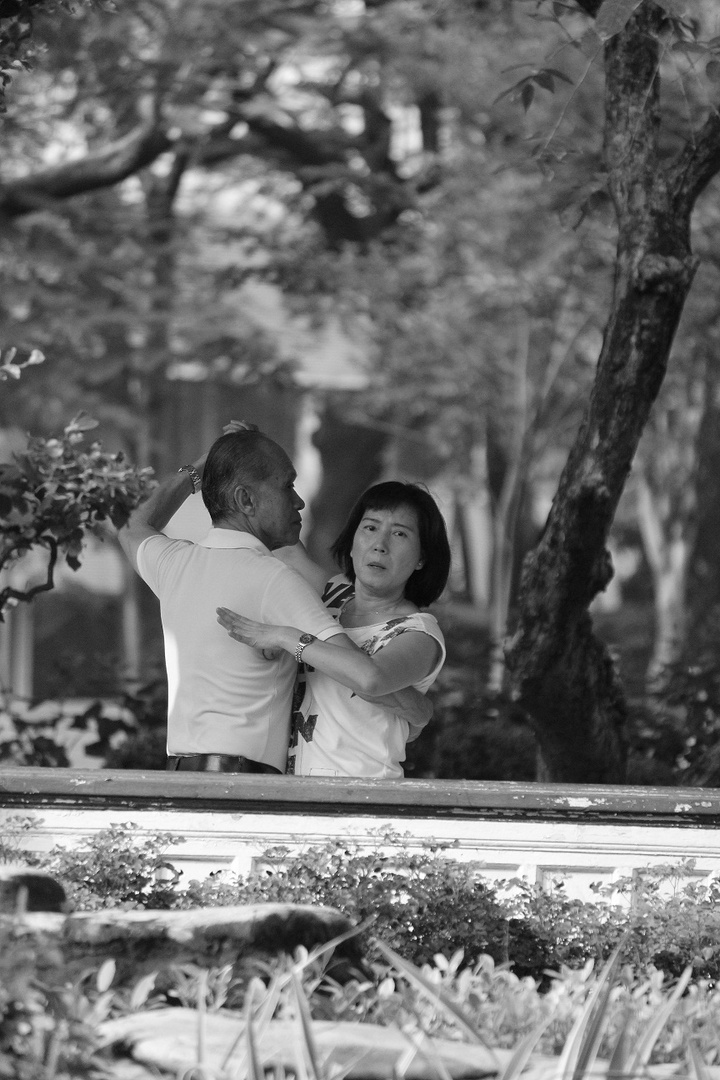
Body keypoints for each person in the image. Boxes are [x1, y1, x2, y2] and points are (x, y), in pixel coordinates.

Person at [117, 424, 353, 773]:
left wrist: (201, 466)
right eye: (287, 485)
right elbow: (357, 671)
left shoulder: (175, 564)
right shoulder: (276, 580)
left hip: (178, 778)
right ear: (245, 500)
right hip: (243, 785)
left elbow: (132, 525)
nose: (298, 500)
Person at [217, 481, 451, 778]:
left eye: (400, 533)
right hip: (295, 790)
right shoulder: (334, 595)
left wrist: (285, 636)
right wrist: (230, 461)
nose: (380, 544)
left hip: (362, 793)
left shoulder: (419, 634)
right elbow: (286, 548)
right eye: (370, 527)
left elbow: (371, 678)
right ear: (352, 541)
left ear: (421, 559)